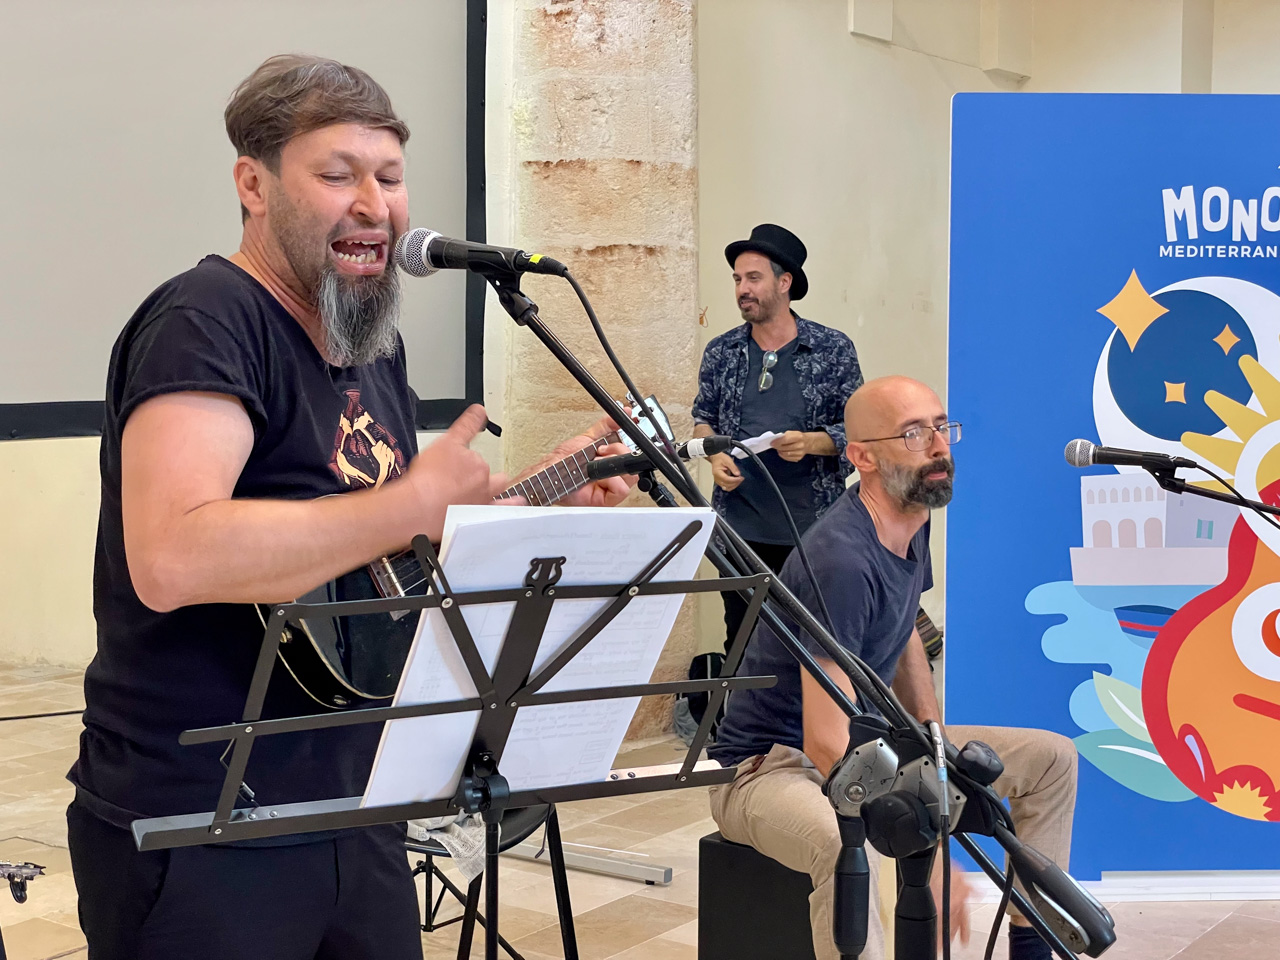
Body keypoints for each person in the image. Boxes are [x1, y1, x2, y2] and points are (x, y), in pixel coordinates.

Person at [67, 55, 631, 960]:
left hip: (355, 799)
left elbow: (386, 553)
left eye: (391, 177)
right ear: (253, 184)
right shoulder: (205, 319)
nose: (374, 205)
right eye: (338, 175)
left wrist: (541, 490)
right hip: (205, 818)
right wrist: (408, 506)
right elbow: (171, 556)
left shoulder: (371, 345)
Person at [707, 376, 1077, 960]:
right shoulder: (841, 560)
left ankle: (1032, 950)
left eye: (941, 427)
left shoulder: (912, 518)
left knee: (1053, 759)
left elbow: (904, 634)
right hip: (768, 770)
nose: (938, 446)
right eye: (913, 434)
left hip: (868, 747)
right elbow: (824, 743)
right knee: (841, 845)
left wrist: (937, 757)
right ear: (863, 458)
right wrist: (930, 848)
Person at [692, 224, 863, 655]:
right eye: (737, 279)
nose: (742, 289)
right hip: (740, 531)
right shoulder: (722, 352)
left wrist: (811, 442)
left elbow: (860, 432)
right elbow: (703, 420)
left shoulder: (832, 348)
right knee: (744, 645)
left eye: (754, 278)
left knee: (819, 648)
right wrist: (713, 457)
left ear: (784, 282)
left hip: (815, 532)